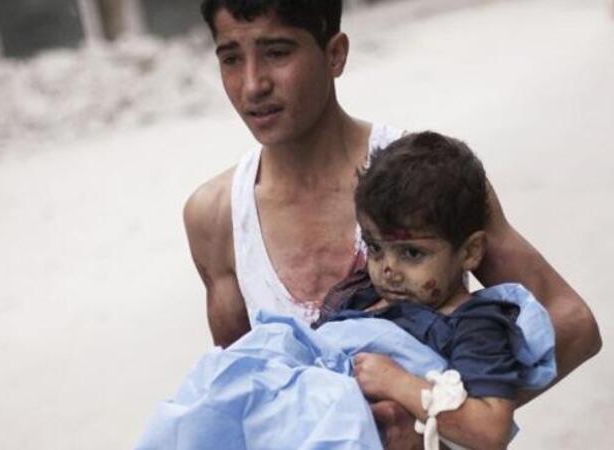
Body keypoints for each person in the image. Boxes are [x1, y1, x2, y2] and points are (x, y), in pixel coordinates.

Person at [182, 0, 601, 447]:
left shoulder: (423, 178)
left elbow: (572, 324)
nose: (253, 84)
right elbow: (239, 394)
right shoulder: (218, 217)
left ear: (335, 54)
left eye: (278, 53)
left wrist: (434, 421)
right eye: (231, 58)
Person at [138, 131, 556, 450]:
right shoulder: (364, 296)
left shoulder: (475, 325)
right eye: (374, 248)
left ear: (469, 252)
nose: (388, 269)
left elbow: (490, 428)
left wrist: (396, 383)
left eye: (412, 253)